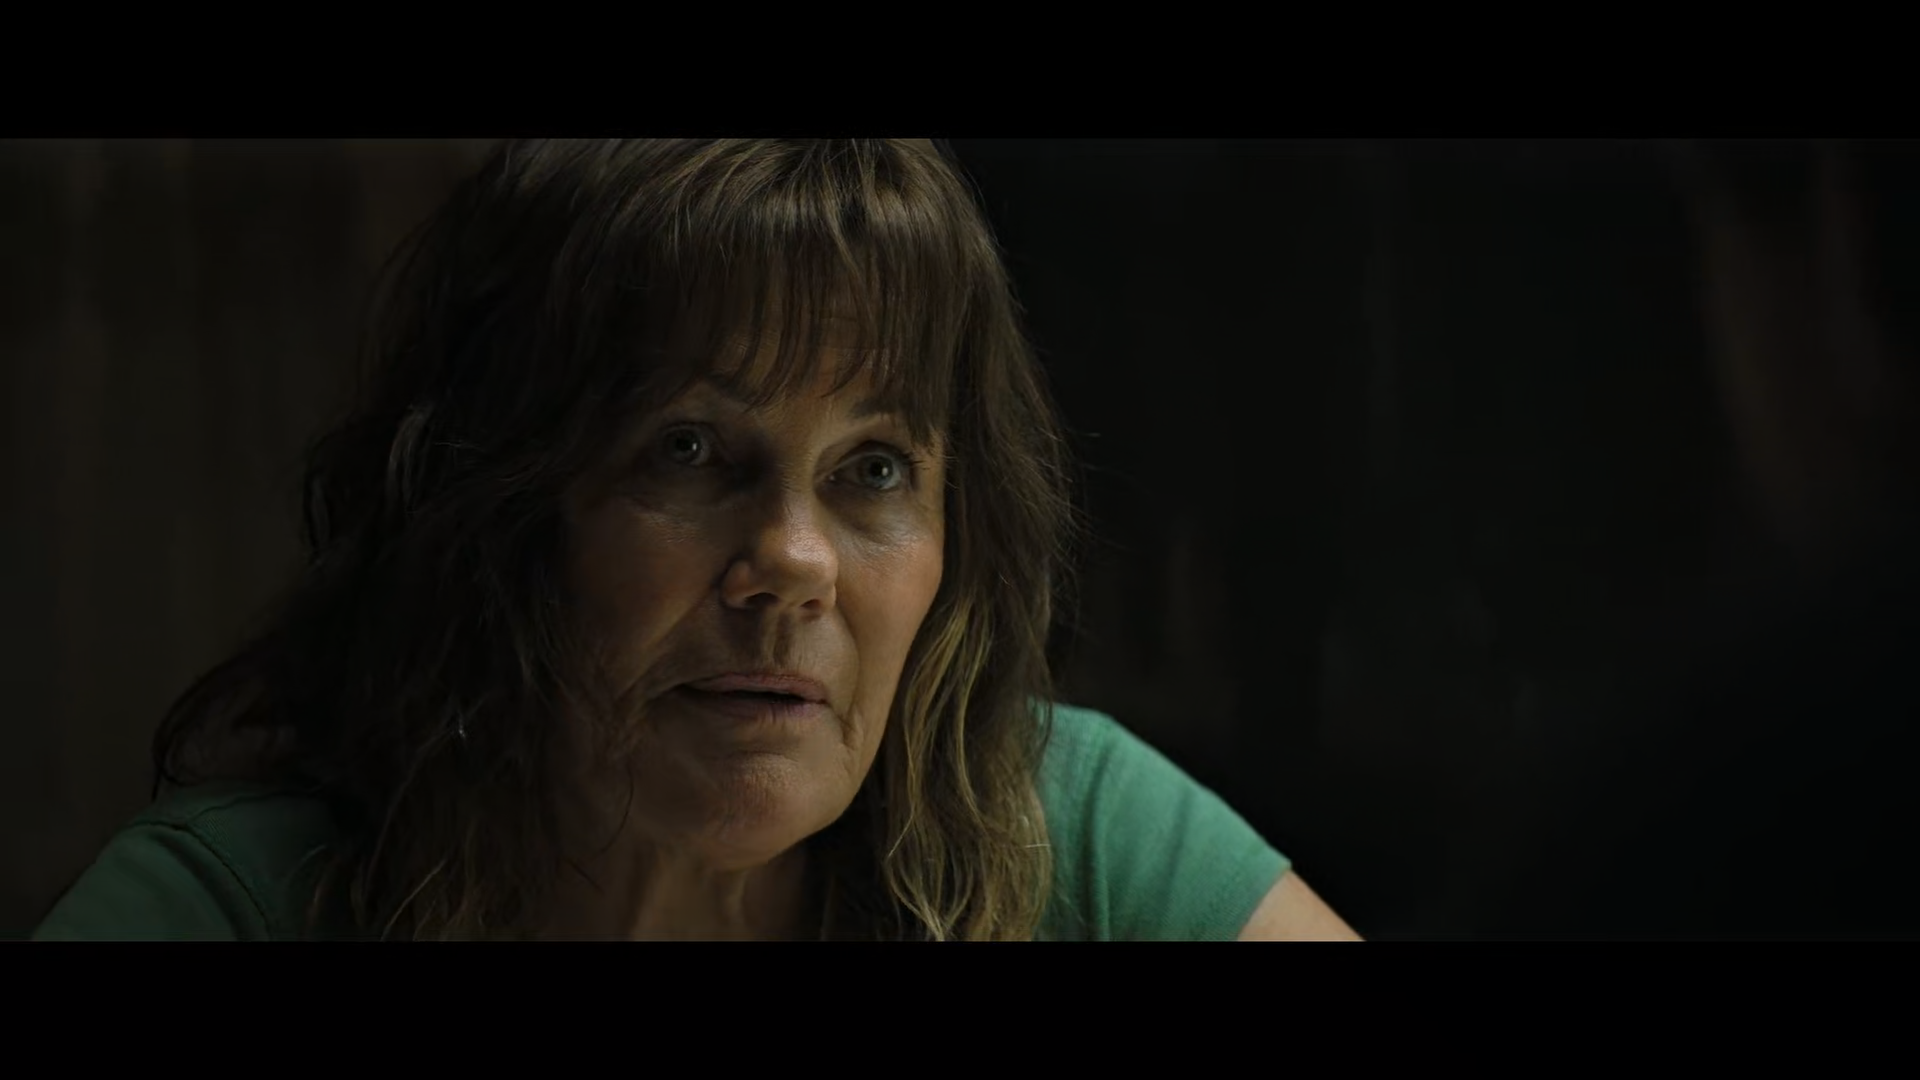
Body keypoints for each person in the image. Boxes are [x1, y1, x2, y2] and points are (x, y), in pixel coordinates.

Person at [34, 139, 1358, 941]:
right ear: (495, 509)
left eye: (874, 470)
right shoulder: (243, 903)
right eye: (688, 451)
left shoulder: (1056, 829)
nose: (796, 561)